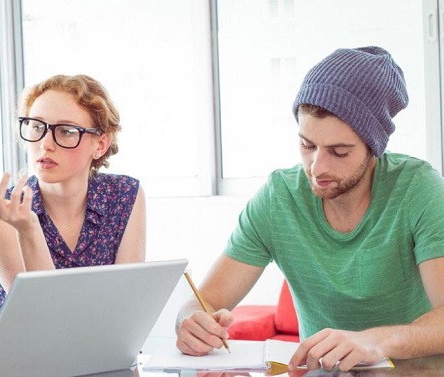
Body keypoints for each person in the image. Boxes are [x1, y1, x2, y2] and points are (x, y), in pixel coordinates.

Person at [175, 46, 444, 372]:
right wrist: (190, 320)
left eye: (339, 151)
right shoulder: (279, 198)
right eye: (307, 145)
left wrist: (375, 341)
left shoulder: (418, 189)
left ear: (374, 147)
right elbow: (204, 301)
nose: (317, 167)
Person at [0, 74, 146, 308]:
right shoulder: (2, 210)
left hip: (102, 343)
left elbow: (127, 306)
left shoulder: (125, 195)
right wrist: (29, 230)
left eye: (66, 131)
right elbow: (43, 314)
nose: (45, 144)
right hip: (24, 345)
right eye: (37, 126)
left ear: (100, 144)